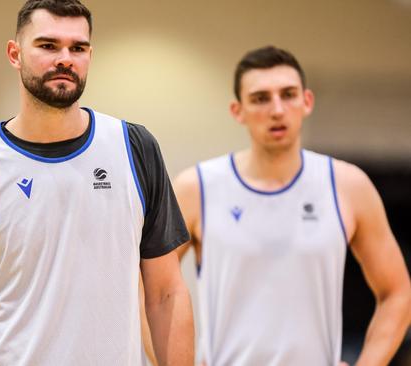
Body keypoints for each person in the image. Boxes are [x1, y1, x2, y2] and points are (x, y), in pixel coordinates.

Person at [0, 1, 194, 365]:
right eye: (48, 46)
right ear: (14, 54)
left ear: (89, 55)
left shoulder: (134, 148)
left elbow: (165, 294)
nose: (65, 58)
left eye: (77, 48)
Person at [173, 45, 411, 365]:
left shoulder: (347, 185)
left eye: (288, 94)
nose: (277, 109)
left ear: (307, 101)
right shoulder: (196, 187)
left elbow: (399, 293)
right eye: (260, 98)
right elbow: (147, 289)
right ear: (237, 111)